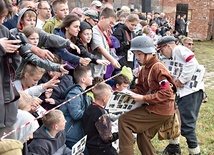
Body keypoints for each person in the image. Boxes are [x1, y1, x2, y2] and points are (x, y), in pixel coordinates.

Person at [118, 36, 177, 155]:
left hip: (160, 109)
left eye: (139, 54)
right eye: (136, 54)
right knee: (143, 135)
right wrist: (124, 92)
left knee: (124, 121)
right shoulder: (145, 68)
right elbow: (141, 89)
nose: (137, 57)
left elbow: (167, 92)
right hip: (155, 106)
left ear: (149, 52)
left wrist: (144, 98)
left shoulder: (158, 67)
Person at [157, 36, 204, 155]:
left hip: (191, 92)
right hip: (182, 92)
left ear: (168, 46)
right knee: (175, 118)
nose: (161, 53)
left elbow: (192, 62)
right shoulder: (171, 55)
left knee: (187, 124)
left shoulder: (179, 50)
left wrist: (181, 80)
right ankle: (174, 147)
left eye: (162, 50)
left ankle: (195, 152)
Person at [59, 66, 92, 149]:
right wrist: (92, 112)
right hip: (71, 133)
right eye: (90, 76)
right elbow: (76, 114)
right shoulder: (74, 93)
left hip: (78, 132)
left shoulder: (83, 93)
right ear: (83, 79)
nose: (92, 78)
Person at [82, 83, 119, 155]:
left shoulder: (89, 108)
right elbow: (107, 138)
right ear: (104, 98)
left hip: (91, 146)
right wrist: (119, 133)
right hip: (101, 149)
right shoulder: (100, 113)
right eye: (109, 97)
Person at [90, 7, 121, 78]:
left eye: (113, 24)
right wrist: (112, 60)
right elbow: (100, 48)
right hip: (94, 71)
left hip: (101, 70)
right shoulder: (95, 31)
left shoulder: (104, 32)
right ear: (102, 18)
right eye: (110, 23)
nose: (111, 26)